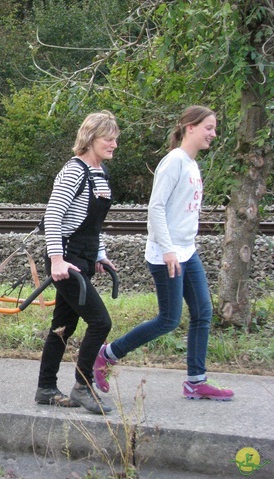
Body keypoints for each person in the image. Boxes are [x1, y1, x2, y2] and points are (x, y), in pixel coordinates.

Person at [93, 106, 234, 402]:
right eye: (209, 127)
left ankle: (196, 381)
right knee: (169, 319)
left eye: (214, 127)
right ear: (190, 127)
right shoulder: (174, 162)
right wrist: (169, 250)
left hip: (186, 251)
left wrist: (181, 247)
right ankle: (108, 354)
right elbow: (155, 209)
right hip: (165, 253)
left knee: (203, 313)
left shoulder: (192, 164)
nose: (213, 133)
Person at [35, 111, 119, 415]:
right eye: (108, 139)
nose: (114, 144)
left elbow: (94, 224)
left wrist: (100, 255)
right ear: (90, 138)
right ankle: (83, 387)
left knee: (63, 325)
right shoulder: (74, 171)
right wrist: (56, 259)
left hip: (83, 258)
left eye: (115, 139)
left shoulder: (101, 173)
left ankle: (45, 388)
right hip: (65, 259)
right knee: (100, 322)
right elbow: (53, 216)